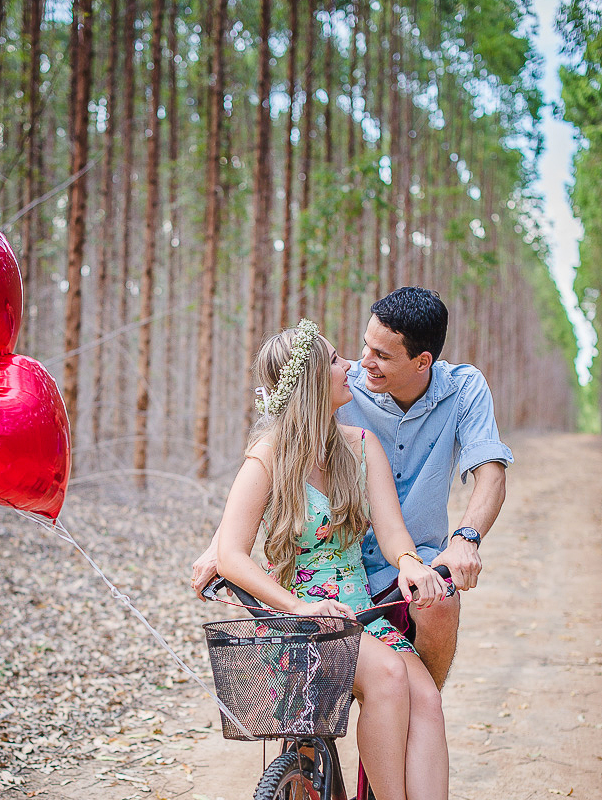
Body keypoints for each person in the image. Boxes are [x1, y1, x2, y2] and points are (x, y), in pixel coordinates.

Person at [213, 317, 489, 800]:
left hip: (359, 612)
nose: (351, 369)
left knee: (427, 699)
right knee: (391, 679)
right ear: (314, 382)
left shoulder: (359, 446)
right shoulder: (269, 457)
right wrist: (297, 605)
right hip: (303, 621)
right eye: (338, 361)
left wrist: (413, 565)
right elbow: (231, 553)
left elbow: (391, 531)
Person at [193, 287, 512, 690]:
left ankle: (417, 709)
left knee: (439, 610)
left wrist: (467, 539)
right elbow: (283, 453)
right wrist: (220, 545)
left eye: (381, 355)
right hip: (343, 557)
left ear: (422, 361)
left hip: (416, 559)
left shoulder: (464, 389)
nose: (364, 363)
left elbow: (492, 473)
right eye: (365, 346)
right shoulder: (342, 385)